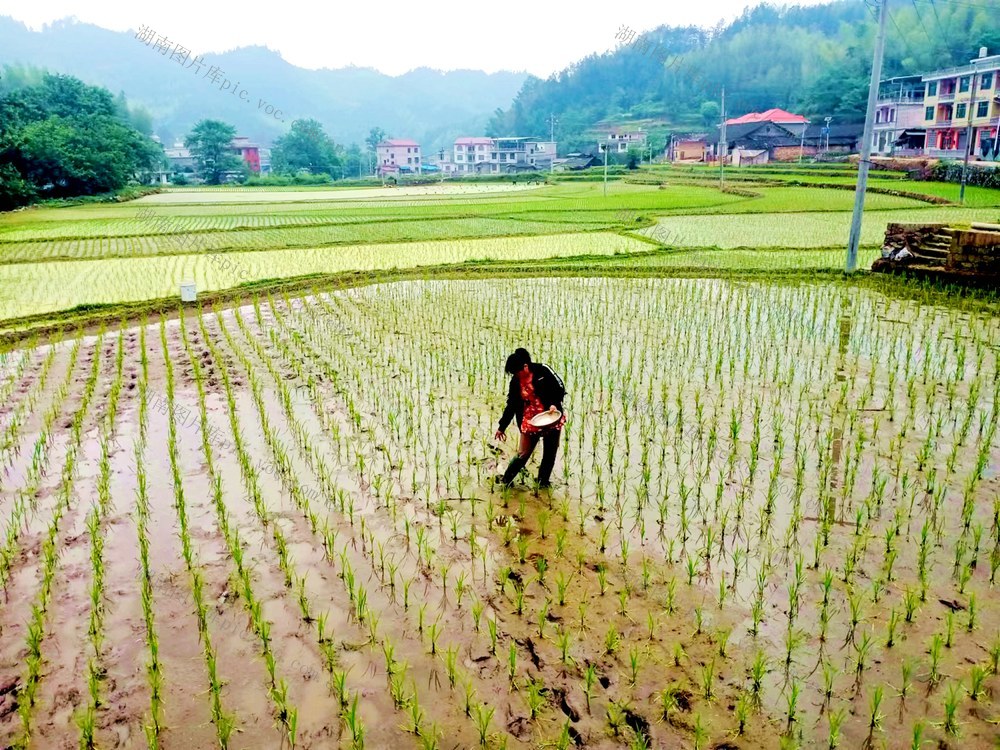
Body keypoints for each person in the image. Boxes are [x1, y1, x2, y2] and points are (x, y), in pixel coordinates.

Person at [494, 348, 566, 489]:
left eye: (517, 372)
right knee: (523, 453)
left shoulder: (543, 371)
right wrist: (502, 427)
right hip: (530, 420)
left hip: (551, 416)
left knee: (550, 453)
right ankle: (506, 480)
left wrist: (554, 404)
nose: (516, 376)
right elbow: (511, 405)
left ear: (525, 367)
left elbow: (559, 388)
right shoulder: (516, 382)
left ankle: (543, 483)